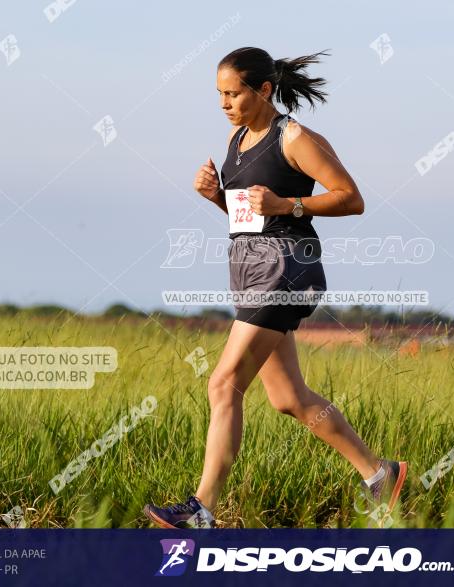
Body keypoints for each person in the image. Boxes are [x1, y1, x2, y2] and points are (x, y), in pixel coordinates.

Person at [144, 47, 406, 529]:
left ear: (264, 90)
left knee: (223, 383)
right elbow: (249, 217)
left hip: (287, 267)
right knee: (289, 398)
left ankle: (201, 509)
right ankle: (380, 474)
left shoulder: (296, 137)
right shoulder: (237, 138)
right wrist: (215, 197)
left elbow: (352, 199)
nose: (224, 103)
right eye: (219, 94)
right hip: (249, 267)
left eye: (234, 93)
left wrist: (289, 203)